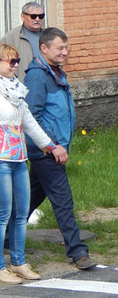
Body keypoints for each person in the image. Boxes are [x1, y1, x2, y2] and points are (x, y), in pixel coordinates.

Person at [25, 28, 96, 270]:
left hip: (50, 148)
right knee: (63, 199)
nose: (65, 52)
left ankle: (6, 235)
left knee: (32, 196)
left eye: (66, 48)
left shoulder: (54, 72)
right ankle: (78, 252)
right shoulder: (37, 76)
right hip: (45, 150)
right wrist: (53, 145)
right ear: (44, 49)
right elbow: (32, 117)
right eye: (60, 48)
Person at [0, 44, 62, 284]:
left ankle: (19, 262)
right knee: (3, 214)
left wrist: (50, 145)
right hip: (2, 161)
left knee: (20, 213)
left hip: (19, 159)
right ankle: (1, 266)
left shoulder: (17, 92)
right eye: (9, 61)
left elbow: (30, 123)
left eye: (16, 61)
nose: (15, 65)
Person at [1, 1, 46, 82]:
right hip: (21, 85)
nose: (37, 19)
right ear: (23, 17)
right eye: (33, 16)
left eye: (41, 16)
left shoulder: (48, 36)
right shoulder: (10, 38)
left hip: (46, 85)